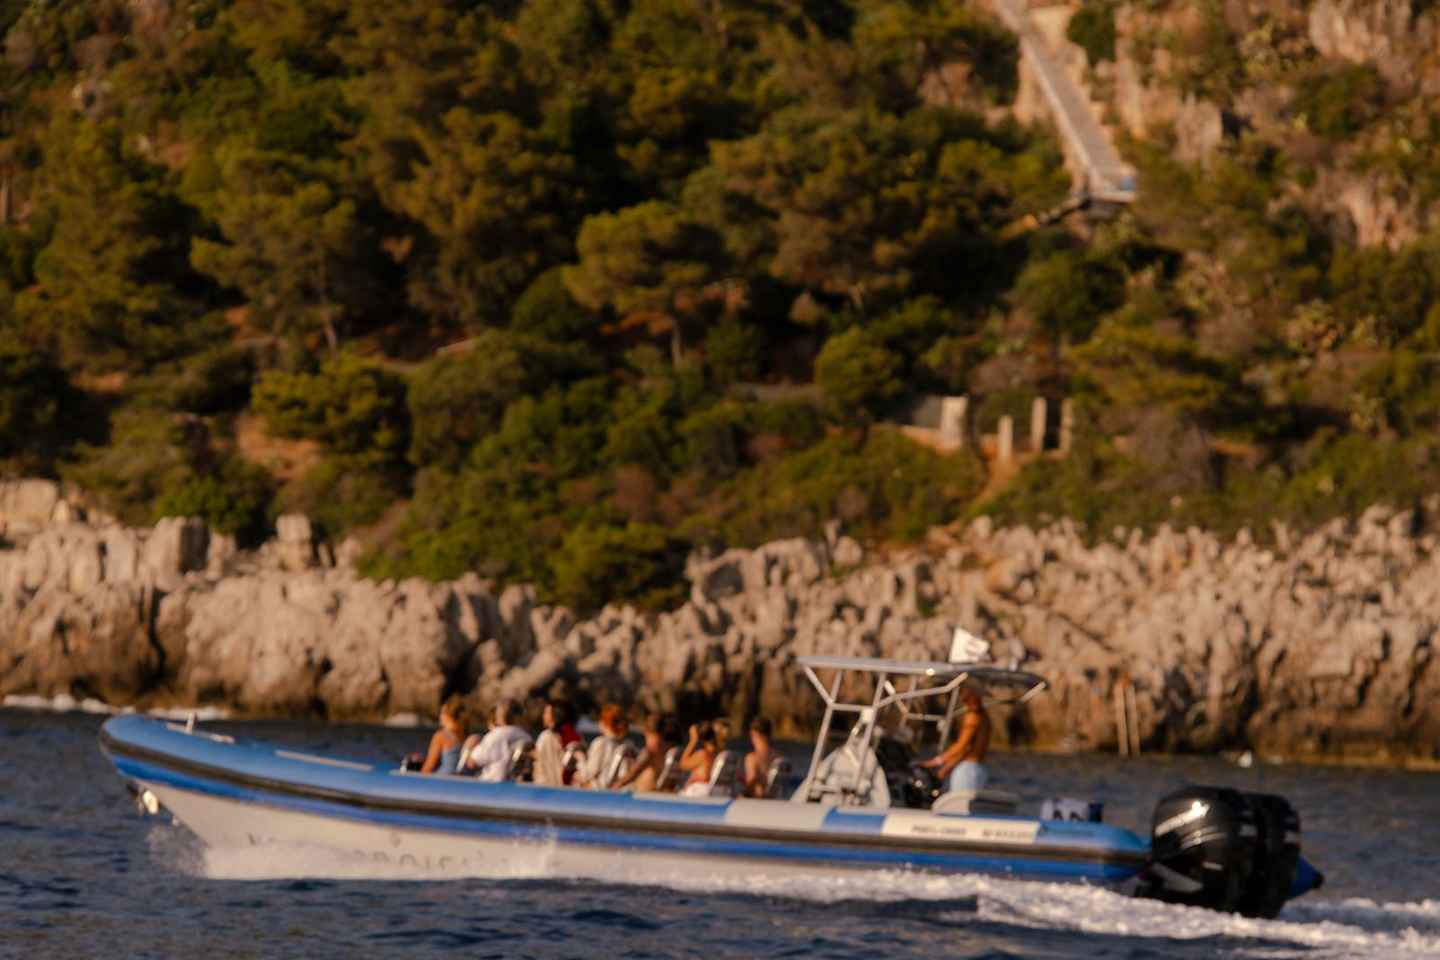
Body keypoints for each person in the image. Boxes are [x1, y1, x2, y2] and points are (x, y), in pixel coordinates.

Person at [919, 687, 991, 791]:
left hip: (967, 771)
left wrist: (937, 761)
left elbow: (962, 745)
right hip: (979, 770)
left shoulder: (972, 717)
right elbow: (968, 748)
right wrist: (948, 766)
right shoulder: (984, 717)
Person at [460, 699, 533, 781]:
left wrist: (468, 748)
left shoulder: (497, 735)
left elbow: (471, 763)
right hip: (517, 785)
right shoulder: (527, 737)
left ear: (501, 716)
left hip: (491, 784)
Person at [613, 714, 677, 792]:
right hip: (651, 793)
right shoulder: (653, 752)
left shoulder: (655, 751)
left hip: (650, 793)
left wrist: (615, 787)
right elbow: (632, 774)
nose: (647, 741)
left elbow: (632, 774)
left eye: (648, 736)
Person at [533, 698, 582, 786]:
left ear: (555, 715)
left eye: (546, 713)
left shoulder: (547, 737)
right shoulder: (572, 735)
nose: (543, 716)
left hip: (548, 788)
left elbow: (550, 769)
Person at [580, 703, 629, 788]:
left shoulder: (600, 743)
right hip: (616, 791)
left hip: (598, 791)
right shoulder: (627, 744)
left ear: (605, 722)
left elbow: (588, 774)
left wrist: (580, 759)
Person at [419, 694, 470, 774]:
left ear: (448, 715)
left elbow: (429, 766)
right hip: (463, 778)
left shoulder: (441, 736)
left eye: (442, 712)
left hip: (444, 777)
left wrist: (418, 777)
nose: (440, 716)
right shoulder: (466, 735)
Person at [679, 720, 719, 796]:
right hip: (707, 791)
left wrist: (693, 741)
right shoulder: (716, 754)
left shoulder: (703, 754)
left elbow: (682, 765)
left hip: (699, 790)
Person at [741, 716, 776, 798]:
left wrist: (740, 797)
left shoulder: (752, 758)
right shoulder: (778, 757)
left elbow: (751, 787)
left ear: (755, 734)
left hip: (757, 801)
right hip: (774, 800)